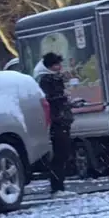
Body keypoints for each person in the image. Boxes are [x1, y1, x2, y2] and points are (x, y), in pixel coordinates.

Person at [34, 52, 74, 196]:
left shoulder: (52, 78)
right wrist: (64, 97)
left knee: (63, 154)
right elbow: (49, 99)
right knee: (60, 154)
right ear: (49, 66)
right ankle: (57, 187)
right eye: (56, 65)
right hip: (57, 121)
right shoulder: (46, 80)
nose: (59, 67)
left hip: (61, 120)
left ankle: (59, 186)